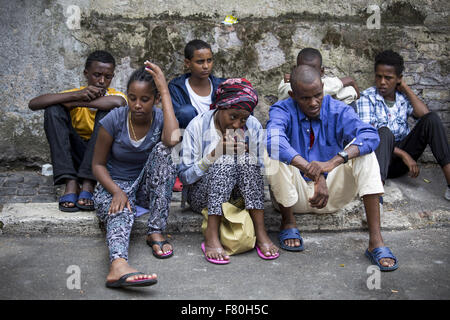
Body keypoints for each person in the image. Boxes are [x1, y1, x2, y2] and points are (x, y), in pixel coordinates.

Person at [266, 65, 398, 271]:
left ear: (324, 89)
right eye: (305, 98)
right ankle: (288, 223)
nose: (313, 103)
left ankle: (376, 242)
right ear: (293, 95)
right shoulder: (281, 109)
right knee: (272, 151)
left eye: (318, 95)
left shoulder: (337, 109)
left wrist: (332, 163)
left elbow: (370, 135)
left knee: (364, 151)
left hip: (333, 194)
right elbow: (274, 141)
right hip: (294, 196)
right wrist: (315, 173)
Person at [92, 62, 180, 288]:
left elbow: (172, 140)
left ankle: (156, 230)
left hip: (143, 188)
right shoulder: (114, 119)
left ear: (155, 99)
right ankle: (118, 266)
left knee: (164, 150)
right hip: (113, 186)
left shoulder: (160, 117)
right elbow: (98, 165)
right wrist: (117, 191)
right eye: (132, 98)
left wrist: (165, 91)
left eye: (145, 99)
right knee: (119, 211)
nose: (137, 105)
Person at [178, 78, 279, 264]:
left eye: (243, 119)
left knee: (247, 159)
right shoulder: (197, 126)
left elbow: (263, 170)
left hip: (240, 198)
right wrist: (213, 155)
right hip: (203, 198)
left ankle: (261, 232)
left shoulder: (253, 125)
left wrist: (251, 154)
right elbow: (185, 177)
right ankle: (211, 235)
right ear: (220, 107)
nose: (236, 125)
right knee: (224, 159)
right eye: (233, 117)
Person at [28, 50, 127, 212]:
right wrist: (75, 95)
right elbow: (34, 104)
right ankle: (71, 183)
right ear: (86, 73)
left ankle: (88, 185)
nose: (102, 81)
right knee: (53, 109)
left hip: (103, 159)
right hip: (76, 155)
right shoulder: (78, 93)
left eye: (107, 77)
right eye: (96, 75)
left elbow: (119, 102)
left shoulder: (115, 95)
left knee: (107, 112)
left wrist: (78, 102)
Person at [357, 50, 450, 200]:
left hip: (399, 165)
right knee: (384, 132)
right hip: (377, 162)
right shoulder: (366, 98)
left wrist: (406, 88)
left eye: (388, 78)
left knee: (432, 119)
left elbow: (424, 115)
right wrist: (403, 154)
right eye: (379, 76)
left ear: (398, 79)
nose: (382, 82)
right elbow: (368, 139)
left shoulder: (401, 99)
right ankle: (376, 198)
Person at [168, 39, 226, 192]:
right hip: (188, 141)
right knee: (186, 112)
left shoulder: (221, 86)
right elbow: (174, 121)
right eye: (200, 62)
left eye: (209, 60)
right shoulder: (177, 87)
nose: (206, 66)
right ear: (188, 63)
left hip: (215, 139)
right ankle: (182, 169)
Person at [278, 48, 360, 109]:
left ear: (321, 71)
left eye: (317, 95)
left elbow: (350, 93)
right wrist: (341, 83)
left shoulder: (325, 83)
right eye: (303, 69)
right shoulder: (286, 84)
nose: (308, 74)